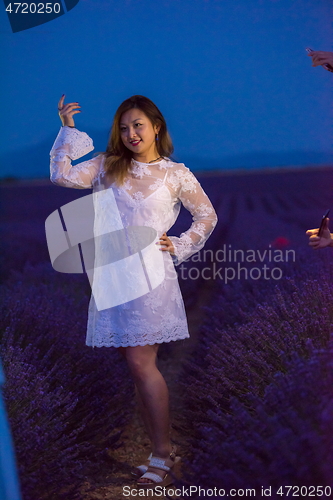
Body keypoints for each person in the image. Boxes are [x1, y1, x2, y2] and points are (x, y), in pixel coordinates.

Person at [49, 94, 218, 488]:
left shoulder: (176, 173)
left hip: (151, 278)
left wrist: (178, 244)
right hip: (112, 277)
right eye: (124, 127)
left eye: (138, 125)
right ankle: (160, 449)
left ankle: (161, 453)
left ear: (156, 127)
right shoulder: (108, 166)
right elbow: (61, 176)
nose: (130, 133)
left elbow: (207, 216)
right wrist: (68, 130)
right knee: (136, 368)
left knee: (143, 365)